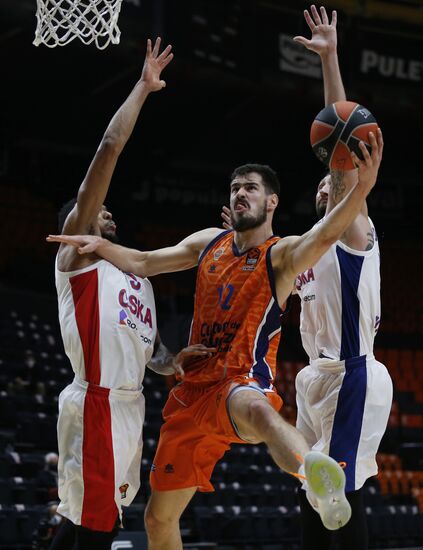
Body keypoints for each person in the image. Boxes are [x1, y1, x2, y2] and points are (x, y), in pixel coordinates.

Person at [47, 77, 383, 550]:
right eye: (234, 188)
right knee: (159, 521)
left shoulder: (281, 254)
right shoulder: (209, 242)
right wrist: (100, 243)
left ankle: (315, 474)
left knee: (258, 413)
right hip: (189, 394)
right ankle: (310, 470)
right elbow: (144, 261)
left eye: (250, 188)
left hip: (239, 380)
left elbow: (324, 236)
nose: (239, 194)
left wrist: (358, 190)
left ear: (272, 203)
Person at [47, 38, 214, 550]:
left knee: (86, 519)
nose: (109, 214)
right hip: (96, 401)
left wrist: (170, 362)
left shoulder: (136, 276)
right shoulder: (79, 256)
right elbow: (108, 150)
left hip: (129, 406)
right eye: (101, 212)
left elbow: (148, 348)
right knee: (98, 528)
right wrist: (142, 89)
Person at [292, 6, 393, 550]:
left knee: (343, 496)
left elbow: (343, 148)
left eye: (336, 186)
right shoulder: (308, 249)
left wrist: (330, 59)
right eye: (322, 190)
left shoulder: (354, 231)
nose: (326, 188)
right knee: (311, 490)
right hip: (316, 377)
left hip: (354, 372)